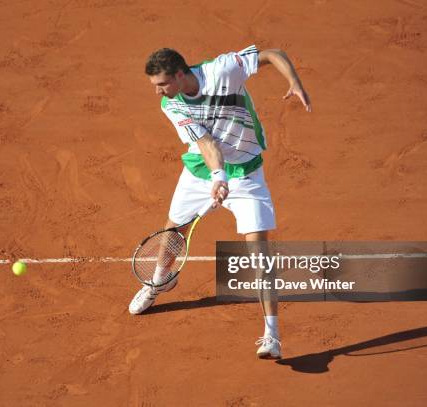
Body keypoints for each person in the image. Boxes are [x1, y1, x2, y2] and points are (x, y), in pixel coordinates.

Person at [128, 45, 311, 359]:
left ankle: (272, 334)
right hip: (202, 171)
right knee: (173, 233)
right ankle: (159, 282)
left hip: (247, 172)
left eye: (162, 84)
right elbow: (206, 142)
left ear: (181, 74)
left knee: (259, 255)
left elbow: (272, 54)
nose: (158, 92)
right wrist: (217, 176)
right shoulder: (170, 104)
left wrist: (294, 80)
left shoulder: (222, 70)